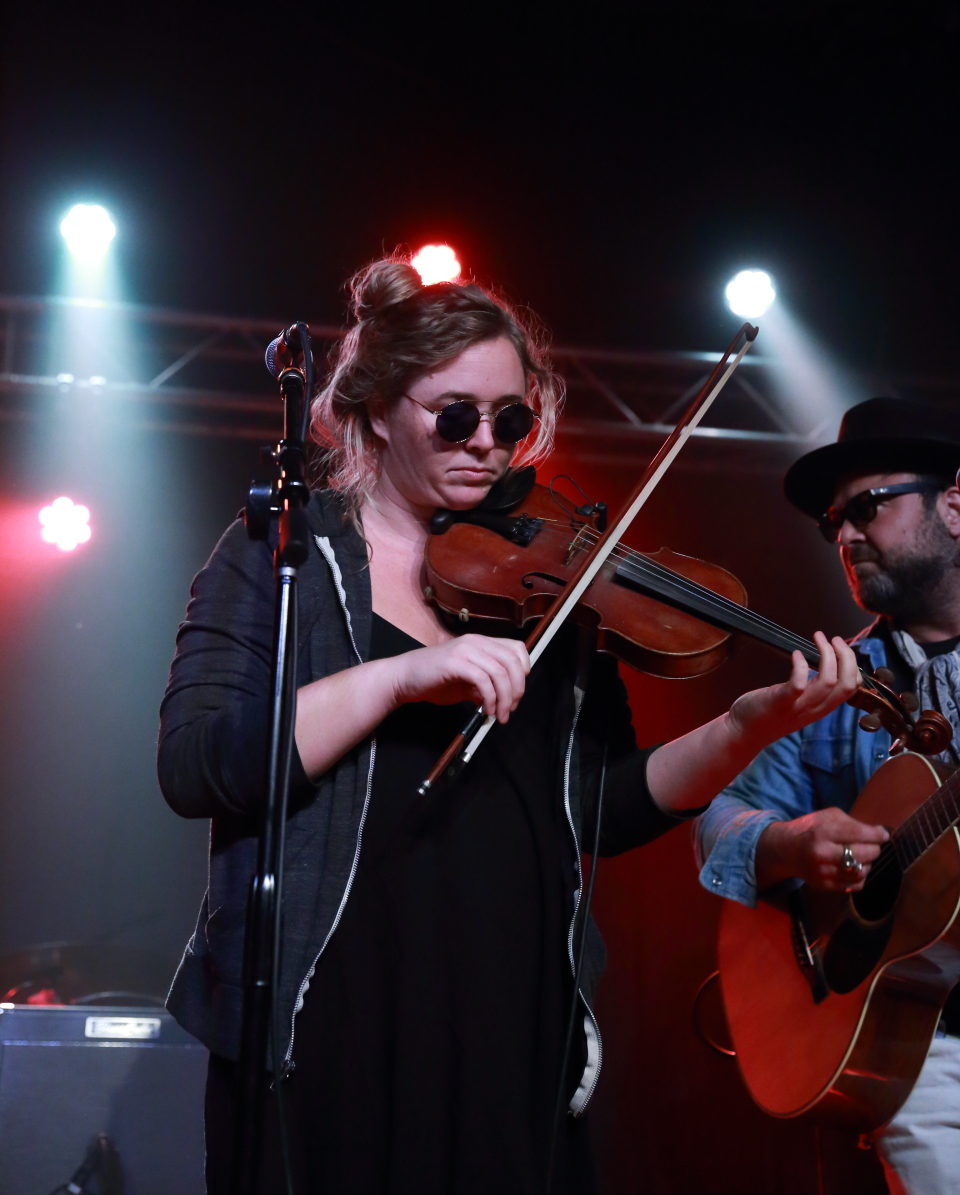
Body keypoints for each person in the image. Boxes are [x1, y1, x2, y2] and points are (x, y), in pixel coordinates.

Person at [159, 256, 861, 1195]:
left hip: (509, 1013)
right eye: (455, 417)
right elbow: (200, 765)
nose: (488, 445)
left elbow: (602, 803)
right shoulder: (285, 555)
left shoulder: (549, 586)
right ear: (378, 408)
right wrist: (401, 676)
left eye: (512, 421)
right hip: (330, 1013)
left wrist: (744, 728)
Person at [695, 396, 960, 1195]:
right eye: (833, 523)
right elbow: (716, 820)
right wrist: (792, 841)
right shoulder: (836, 683)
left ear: (955, 505)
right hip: (923, 1049)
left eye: (868, 506)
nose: (844, 536)